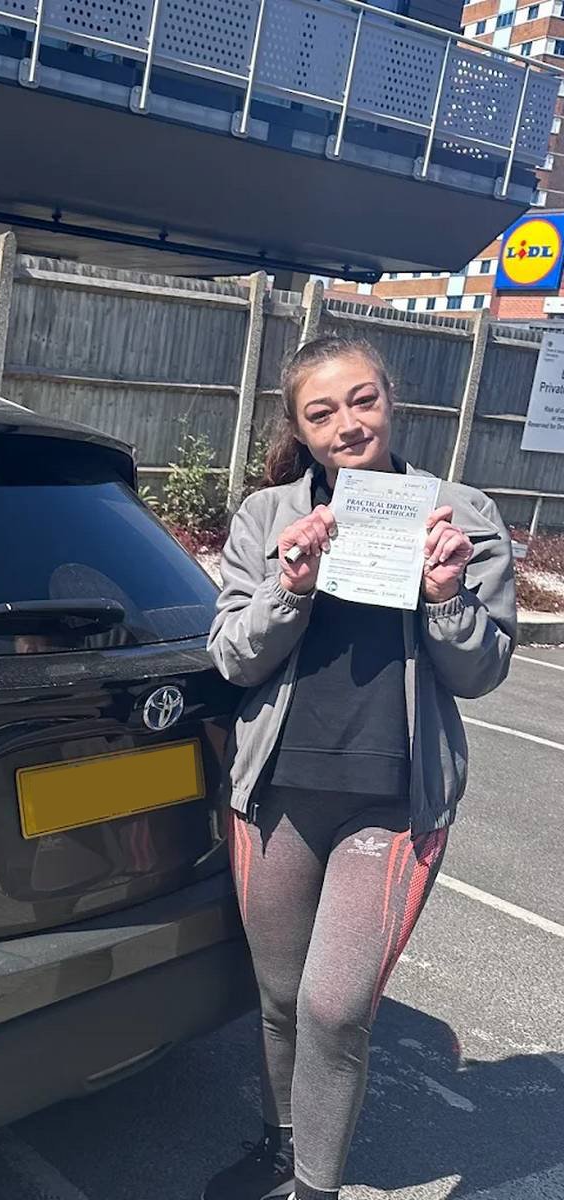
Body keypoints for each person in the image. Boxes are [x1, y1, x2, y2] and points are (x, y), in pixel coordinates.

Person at [202, 335, 516, 1200]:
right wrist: (291, 586)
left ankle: (315, 1188)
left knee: (334, 1007)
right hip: (277, 797)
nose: (348, 424)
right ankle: (282, 1142)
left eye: (363, 400)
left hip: (393, 803)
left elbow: (483, 673)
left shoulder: (459, 513)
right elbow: (231, 657)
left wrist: (446, 596)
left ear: (391, 399)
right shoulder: (268, 516)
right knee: (278, 999)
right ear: (300, 430)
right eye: (322, 412)